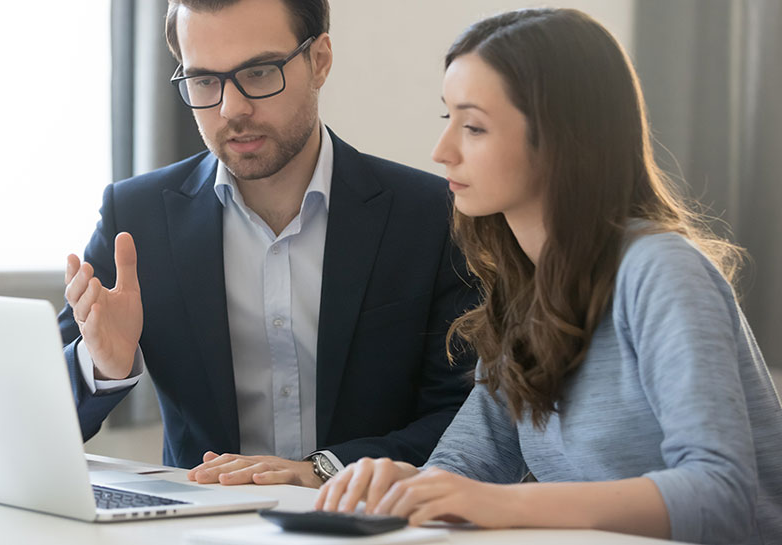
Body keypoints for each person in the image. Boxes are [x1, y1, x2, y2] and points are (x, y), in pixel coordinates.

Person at [315, 8, 782, 544]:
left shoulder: (661, 271)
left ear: (561, 139)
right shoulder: (524, 291)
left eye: (473, 127)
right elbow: (469, 468)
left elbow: (721, 495)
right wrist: (406, 486)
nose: (441, 152)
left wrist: (505, 504)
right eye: (448, 120)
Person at [58, 0, 480, 490]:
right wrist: (103, 366)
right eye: (203, 81)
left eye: (258, 72)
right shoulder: (137, 218)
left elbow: (468, 419)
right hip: (201, 527)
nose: (231, 108)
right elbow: (36, 414)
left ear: (319, 60)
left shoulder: (431, 216)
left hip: (370, 522)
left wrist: (323, 469)